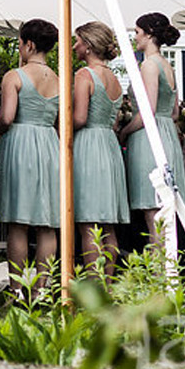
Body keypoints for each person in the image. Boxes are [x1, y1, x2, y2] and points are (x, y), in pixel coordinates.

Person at [0, 18, 61, 274]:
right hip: (49, 146)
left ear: (29, 44)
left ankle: (17, 291)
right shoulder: (58, 79)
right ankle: (42, 290)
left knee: (18, 224)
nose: (19, 48)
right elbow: (60, 122)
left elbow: (7, 117)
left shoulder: (14, 76)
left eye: (20, 43)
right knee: (47, 224)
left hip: (21, 146)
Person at [120, 13, 185, 241]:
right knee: (165, 213)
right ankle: (168, 270)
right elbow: (174, 112)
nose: (135, 38)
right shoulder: (167, 65)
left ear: (149, 34)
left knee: (154, 212)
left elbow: (148, 111)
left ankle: (160, 272)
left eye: (138, 33)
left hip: (150, 139)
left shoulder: (149, 65)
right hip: (168, 132)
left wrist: (125, 131)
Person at [71, 21, 128, 274]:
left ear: (89, 46)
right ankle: (108, 282)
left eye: (78, 41)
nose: (74, 46)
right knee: (107, 225)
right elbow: (115, 121)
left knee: (89, 223)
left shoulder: (84, 75)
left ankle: (94, 284)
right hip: (109, 146)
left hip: (89, 147)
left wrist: (61, 125)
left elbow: (80, 118)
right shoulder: (115, 79)